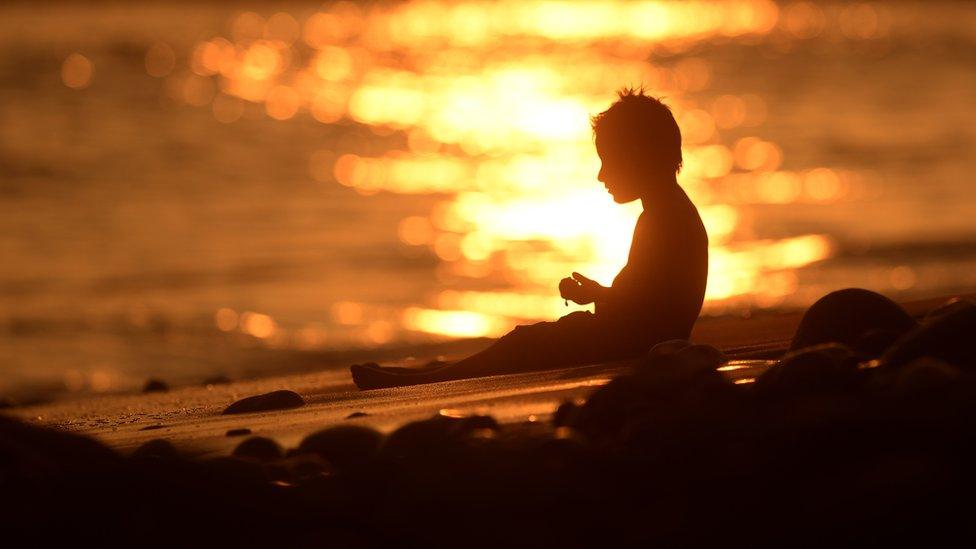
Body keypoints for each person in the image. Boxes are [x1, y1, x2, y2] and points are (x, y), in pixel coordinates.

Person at [352, 87, 709, 389]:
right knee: (528, 341)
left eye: (610, 161)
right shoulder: (667, 213)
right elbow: (648, 300)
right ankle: (426, 374)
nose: (601, 175)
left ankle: (420, 381)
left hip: (637, 345)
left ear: (640, 158)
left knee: (524, 343)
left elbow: (648, 310)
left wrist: (595, 295)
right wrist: (599, 296)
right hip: (635, 339)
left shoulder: (665, 220)